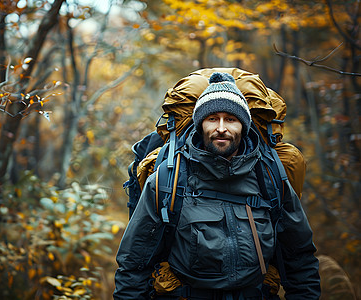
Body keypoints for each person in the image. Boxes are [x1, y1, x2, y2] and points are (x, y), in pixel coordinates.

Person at [113, 72, 321, 299]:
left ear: (244, 125)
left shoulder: (270, 178)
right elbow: (134, 265)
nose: (221, 128)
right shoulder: (167, 181)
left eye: (230, 119)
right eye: (212, 118)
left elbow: (300, 260)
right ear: (200, 124)